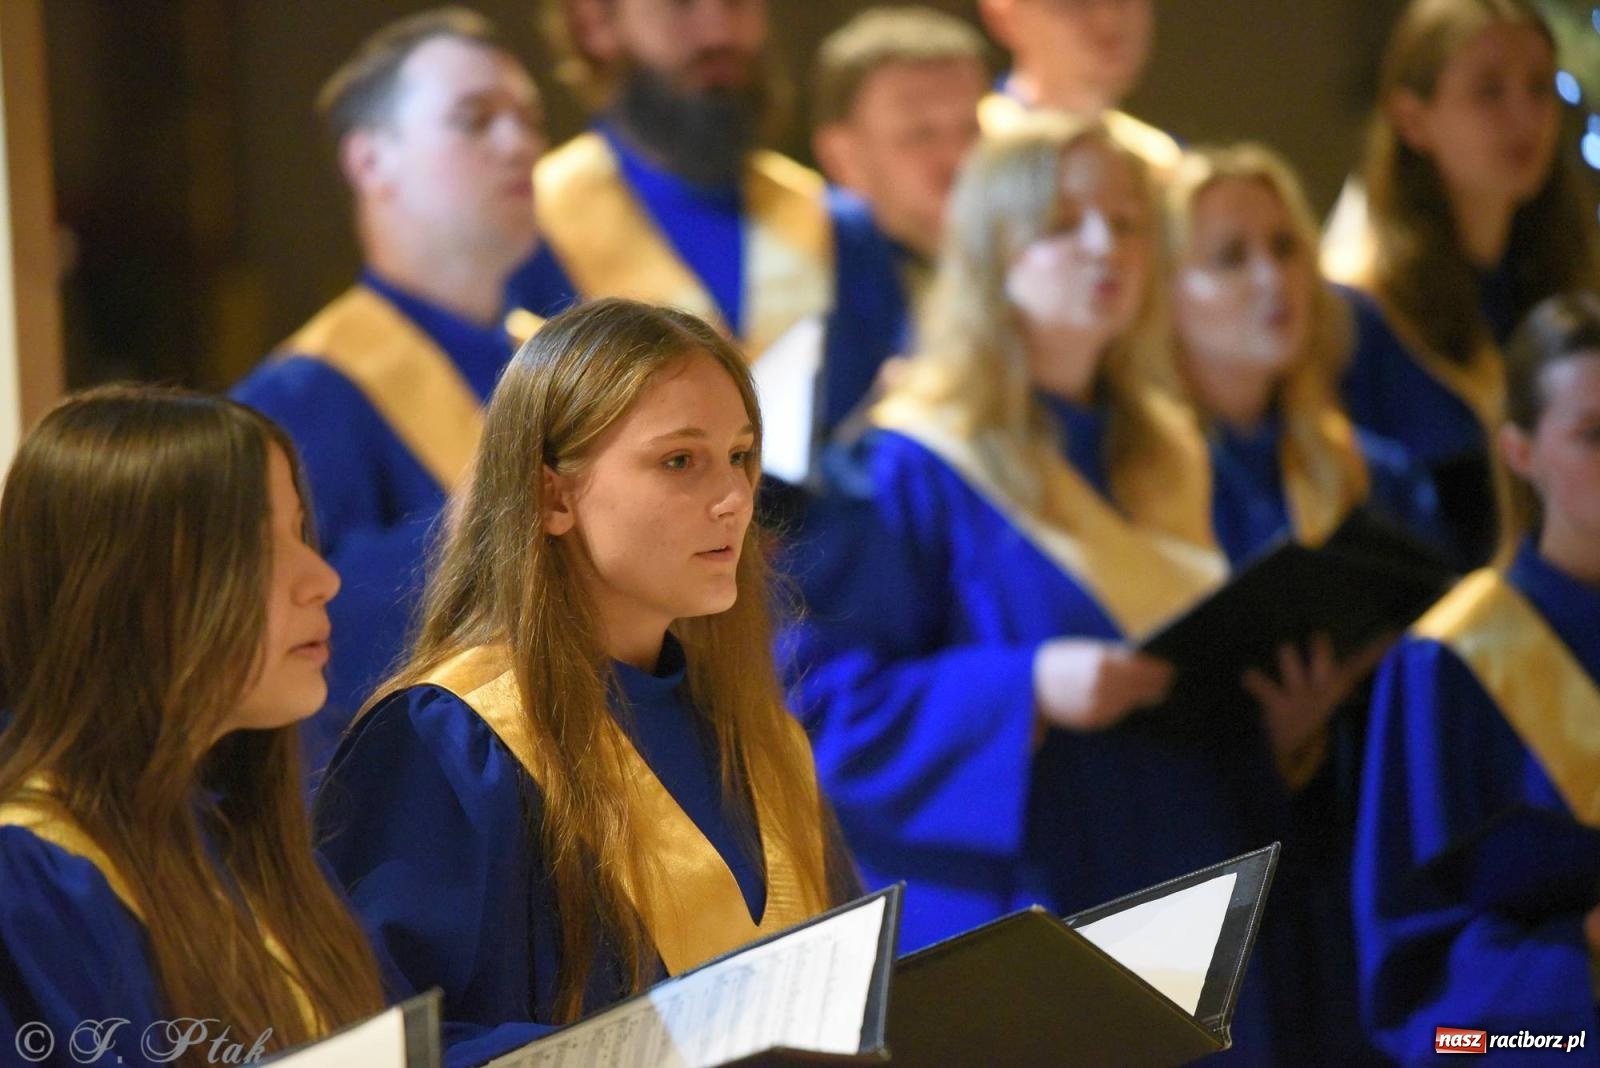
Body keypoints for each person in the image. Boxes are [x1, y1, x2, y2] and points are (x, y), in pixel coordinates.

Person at [316, 299, 859, 1031]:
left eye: (739, 456)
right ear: (552, 495)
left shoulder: (758, 737)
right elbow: (379, 1037)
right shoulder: (449, 742)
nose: (733, 498)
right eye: (679, 461)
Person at [782, 113, 1234, 952]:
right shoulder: (902, 466)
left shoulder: (1167, 452)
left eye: (1128, 222)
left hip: (1192, 876)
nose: (1107, 247)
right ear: (992, 252)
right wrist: (1023, 689)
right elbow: (821, 712)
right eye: (1063, 225)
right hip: (1034, 912)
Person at [0, 387, 388, 1064]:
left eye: (302, 532)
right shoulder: (31, 884)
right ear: (125, 590)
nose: (322, 578)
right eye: (258, 545)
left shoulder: (242, 841)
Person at [1167, 142, 1447, 1065]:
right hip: (1221, 895)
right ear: (1163, 293)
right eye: (1229, 256)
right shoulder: (1138, 498)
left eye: (1286, 247)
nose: (1272, 277)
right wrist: (1281, 744)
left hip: (1368, 872)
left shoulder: (1379, 477)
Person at [232, 8, 553, 772]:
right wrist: (491, 520)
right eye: (475, 120)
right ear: (372, 161)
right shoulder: (303, 393)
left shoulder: (545, 357)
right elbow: (269, 646)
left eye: (529, 120)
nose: (522, 144)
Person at [1353, 291, 1600, 1062]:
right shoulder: (1451, 663)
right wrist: (1583, 964)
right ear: (1520, 453)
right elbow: (1425, 1004)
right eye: (1596, 434)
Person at [508, 0, 906, 444]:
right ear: (595, 24)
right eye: (681, 6)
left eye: (738, 4)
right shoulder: (528, 236)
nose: (719, 33)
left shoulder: (842, 229)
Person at [1324, 0, 1599, 568]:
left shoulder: (1568, 284)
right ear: (1412, 120)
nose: (1526, 116)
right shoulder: (1361, 312)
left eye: (1539, 87)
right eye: (1489, 91)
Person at [811, 6, 988, 322]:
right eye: (920, 133)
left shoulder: (1034, 254)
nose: (958, 155)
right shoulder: (805, 277)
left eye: (970, 128)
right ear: (842, 158)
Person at [975, 0, 1179, 172]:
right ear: (1003, 15)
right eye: (1075, 2)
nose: (1108, 19)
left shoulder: (1159, 161)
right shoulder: (970, 146)